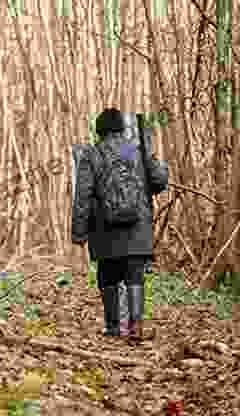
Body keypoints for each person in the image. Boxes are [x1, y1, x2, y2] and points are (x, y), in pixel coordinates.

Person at [72, 108, 168, 339]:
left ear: (99, 131)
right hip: (138, 227)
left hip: (104, 229)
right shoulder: (138, 150)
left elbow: (82, 196)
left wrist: (79, 232)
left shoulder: (91, 155)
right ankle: (135, 326)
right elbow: (159, 181)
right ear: (122, 128)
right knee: (135, 274)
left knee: (108, 275)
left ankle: (113, 326)